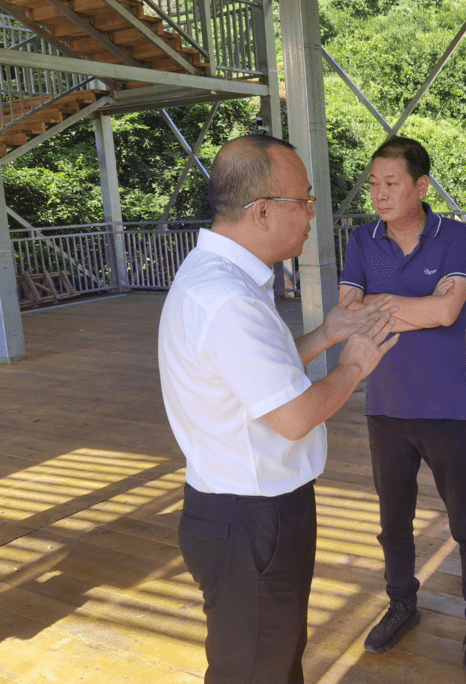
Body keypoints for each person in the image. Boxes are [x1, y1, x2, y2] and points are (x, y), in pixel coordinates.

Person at [157, 135, 399, 684]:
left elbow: (249, 379)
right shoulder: (229, 299)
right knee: (255, 670)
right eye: (305, 200)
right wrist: (354, 365)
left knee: (273, 656)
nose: (313, 213)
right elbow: (291, 415)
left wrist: (325, 336)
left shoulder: (220, 278)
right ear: (263, 210)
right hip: (250, 520)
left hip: (247, 511)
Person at [337, 136, 466, 675]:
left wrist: (384, 309)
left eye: (392, 184)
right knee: (393, 522)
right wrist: (421, 309)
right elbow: (348, 314)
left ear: (421, 186)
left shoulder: (454, 234)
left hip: (446, 406)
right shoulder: (362, 238)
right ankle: (402, 604)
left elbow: (450, 311)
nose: (379, 194)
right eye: (374, 184)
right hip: (384, 405)